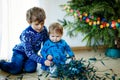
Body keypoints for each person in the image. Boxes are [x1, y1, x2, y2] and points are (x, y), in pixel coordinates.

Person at [0, 7, 51, 74]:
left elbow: (46, 43)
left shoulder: (44, 30)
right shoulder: (26, 33)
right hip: (20, 52)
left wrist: (48, 54)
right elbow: (29, 52)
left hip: (32, 54)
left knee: (30, 69)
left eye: (42, 23)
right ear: (29, 22)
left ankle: (22, 63)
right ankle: (2, 63)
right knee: (15, 70)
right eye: (37, 24)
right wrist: (43, 61)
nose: (40, 26)